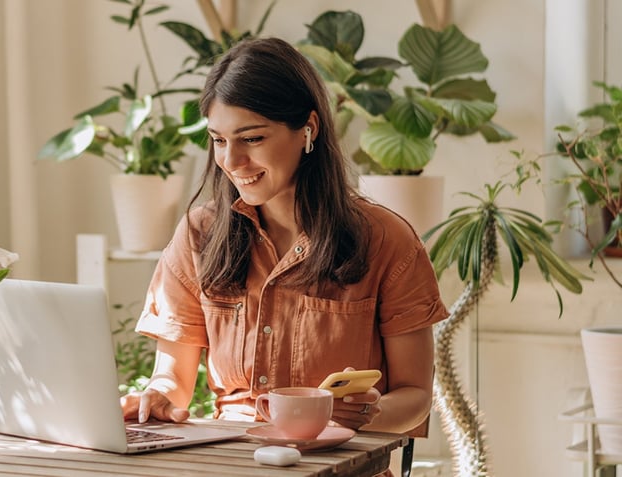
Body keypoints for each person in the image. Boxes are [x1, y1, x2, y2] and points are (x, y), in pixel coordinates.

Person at [120, 37, 448, 442]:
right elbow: (172, 379)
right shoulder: (198, 235)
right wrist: (156, 397)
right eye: (219, 140)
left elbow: (415, 396)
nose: (231, 162)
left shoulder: (385, 239)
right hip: (233, 460)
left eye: (252, 138)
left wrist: (367, 411)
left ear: (308, 129)